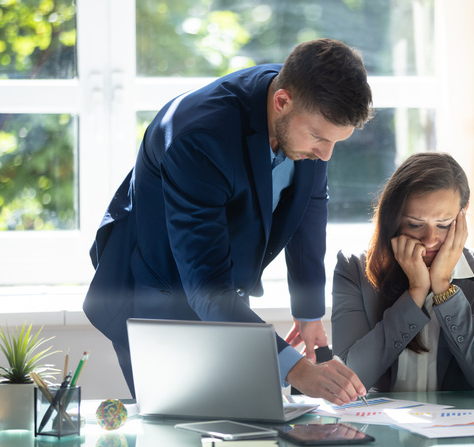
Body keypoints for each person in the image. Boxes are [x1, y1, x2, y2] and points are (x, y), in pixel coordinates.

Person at [83, 38, 373, 404]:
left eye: (336, 142)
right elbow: (207, 289)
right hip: (155, 302)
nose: (325, 154)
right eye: (319, 138)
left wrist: (309, 311)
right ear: (281, 101)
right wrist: (297, 369)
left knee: (247, 434)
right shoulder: (199, 138)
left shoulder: (307, 116)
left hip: (221, 298)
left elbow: (309, 206)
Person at [331, 152, 474, 397]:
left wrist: (442, 287)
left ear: (463, 213)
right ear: (393, 218)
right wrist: (416, 292)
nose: (430, 240)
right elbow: (351, 376)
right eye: (415, 224)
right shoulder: (352, 267)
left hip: (458, 430)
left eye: (444, 224)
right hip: (380, 428)